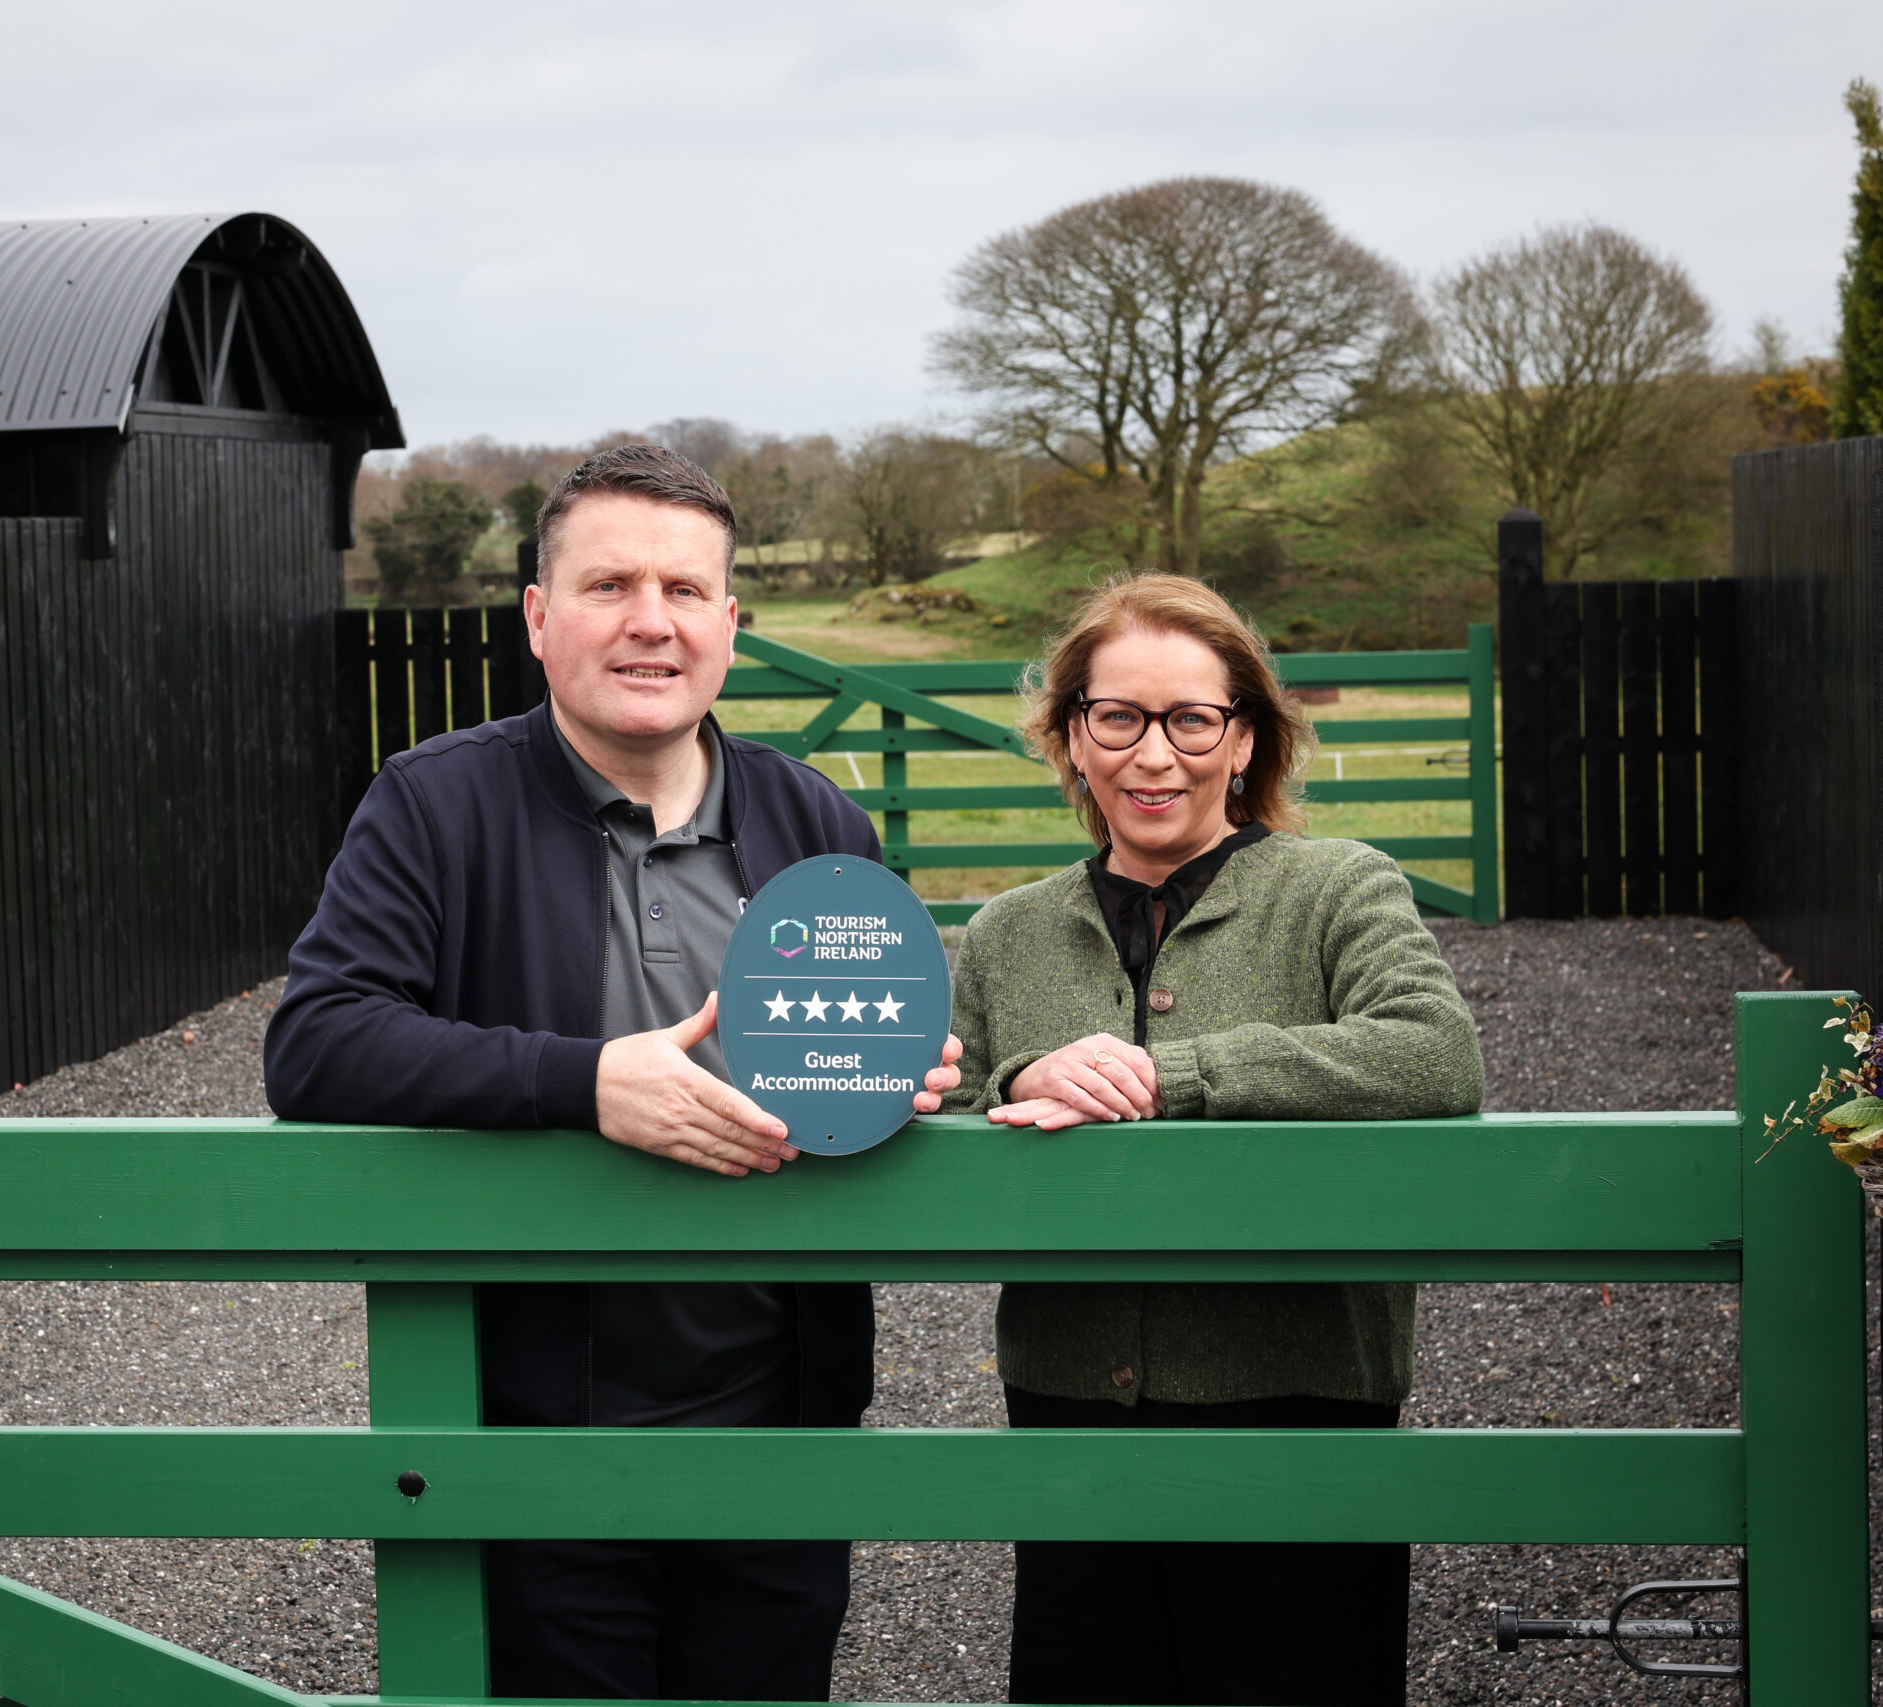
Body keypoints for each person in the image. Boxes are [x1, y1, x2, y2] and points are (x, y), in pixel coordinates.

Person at [265, 443, 962, 1702]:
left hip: (776, 1426)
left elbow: (850, 1060)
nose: (652, 622)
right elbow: (317, 1042)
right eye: (610, 586)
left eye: (687, 591)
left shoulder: (819, 824)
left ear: (732, 625)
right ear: (539, 617)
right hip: (537, 1432)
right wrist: (585, 1082)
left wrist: (903, 1077)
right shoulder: (432, 806)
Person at [943, 573, 1483, 1707]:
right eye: (1118, 718)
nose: (1154, 755)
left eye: (1191, 719)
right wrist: (1010, 1073)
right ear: (1073, 737)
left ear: (1245, 739)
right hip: (1071, 1410)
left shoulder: (1339, 888)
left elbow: (1433, 1054)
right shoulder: (1004, 933)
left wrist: (1170, 1075)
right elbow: (934, 1106)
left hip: (1298, 1400)